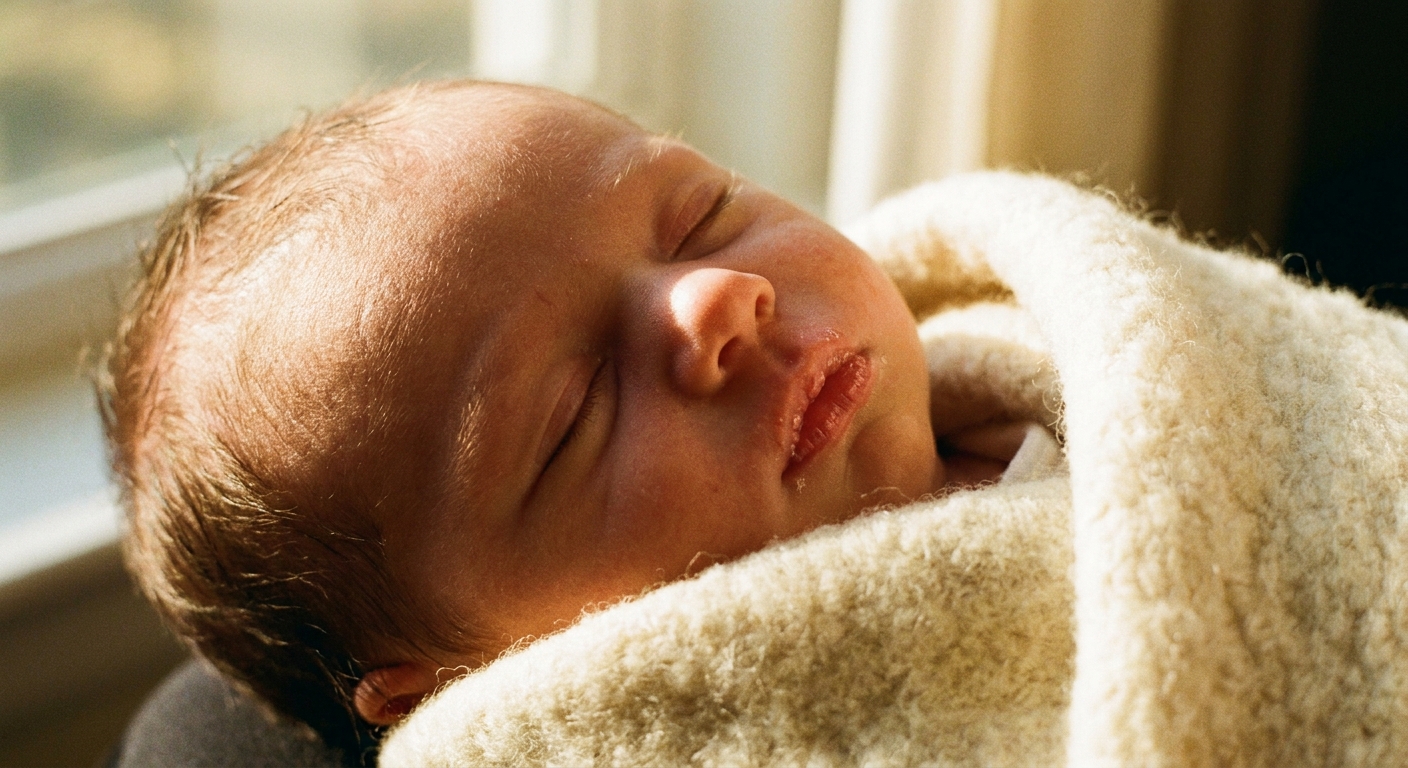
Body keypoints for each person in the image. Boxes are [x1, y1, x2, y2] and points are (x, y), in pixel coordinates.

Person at [100, 79, 1039, 750]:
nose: (716, 299)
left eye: (703, 217)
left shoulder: (1044, 343)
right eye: (577, 409)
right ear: (454, 682)